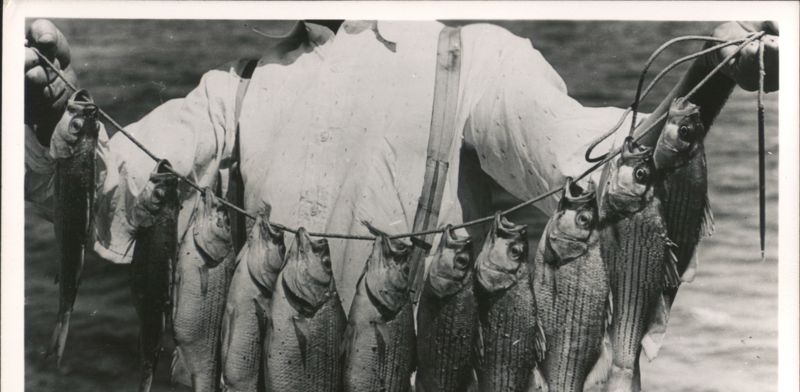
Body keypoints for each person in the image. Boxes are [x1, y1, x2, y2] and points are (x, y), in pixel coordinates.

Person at [24, 19, 779, 309]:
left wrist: (710, 75)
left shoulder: (474, 58)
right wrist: (43, 100)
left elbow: (597, 172)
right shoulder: (236, 87)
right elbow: (109, 183)